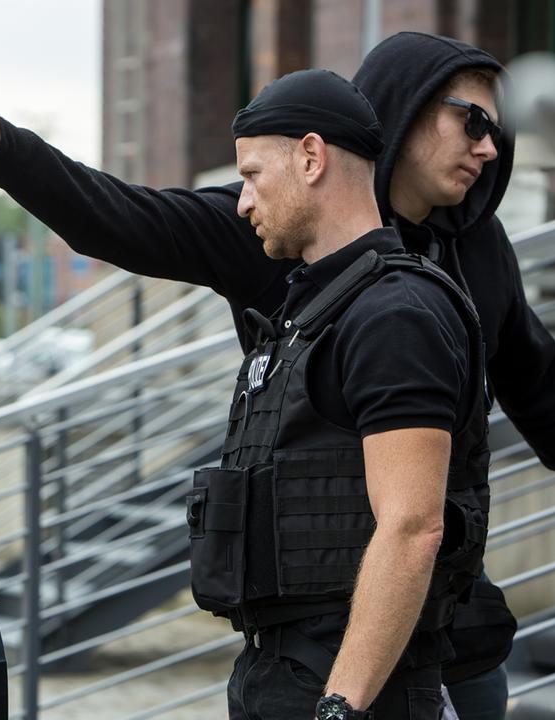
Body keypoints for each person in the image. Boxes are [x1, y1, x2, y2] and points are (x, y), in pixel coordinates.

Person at [0, 30, 555, 718]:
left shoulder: (475, 250)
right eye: (470, 120)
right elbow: (117, 217)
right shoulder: (276, 223)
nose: (489, 146)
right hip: (308, 642)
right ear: (404, 107)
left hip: (444, 645)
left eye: (495, 130)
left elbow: (538, 393)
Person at [209, 68, 486, 718]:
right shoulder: (312, 312)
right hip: (281, 670)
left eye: (251, 176)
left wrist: (342, 705)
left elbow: (414, 524)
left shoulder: (395, 315)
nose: (242, 203)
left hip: (351, 690)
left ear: (311, 157)